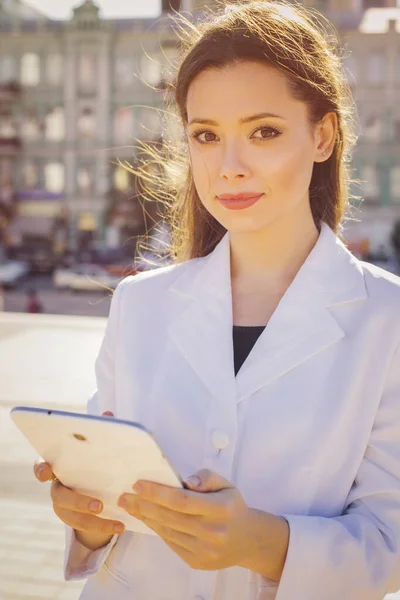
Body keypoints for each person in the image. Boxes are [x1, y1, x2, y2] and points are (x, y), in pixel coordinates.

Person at [33, 1, 400, 599]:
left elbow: (390, 544)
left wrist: (263, 543)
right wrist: (89, 521)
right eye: (206, 135)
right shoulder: (139, 304)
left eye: (264, 132)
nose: (229, 167)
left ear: (323, 136)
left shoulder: (388, 319)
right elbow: (106, 502)